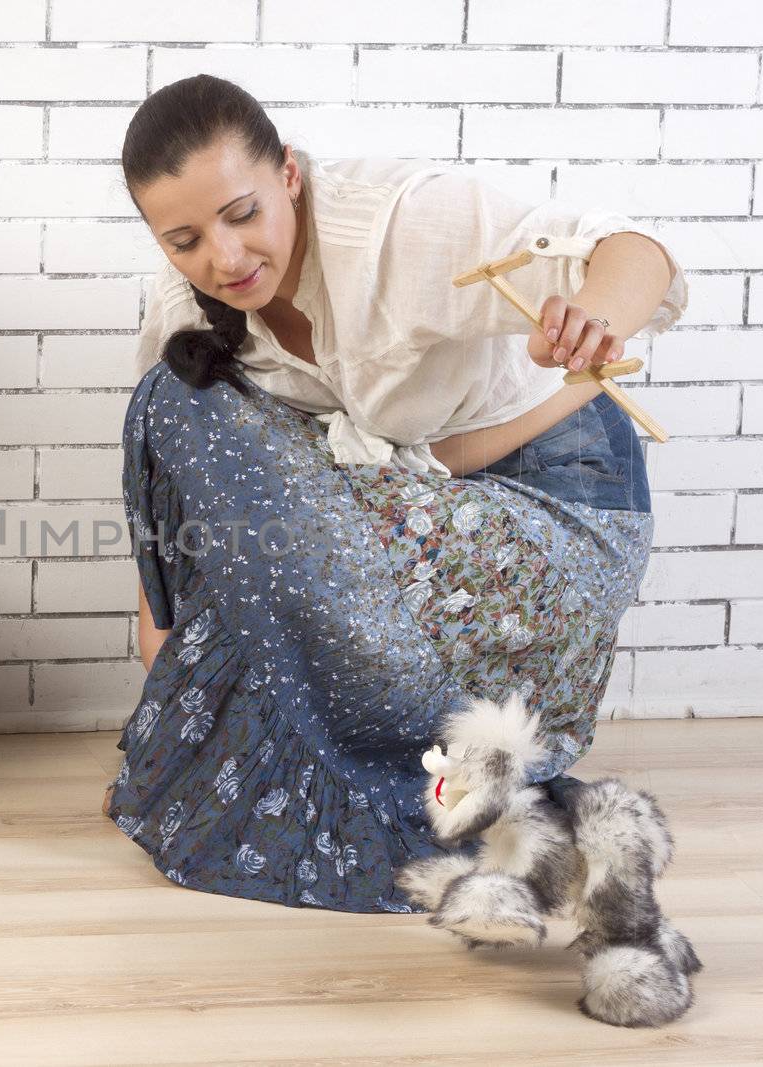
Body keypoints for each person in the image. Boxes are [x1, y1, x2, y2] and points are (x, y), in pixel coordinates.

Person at [104, 75, 683, 911]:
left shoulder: (402, 223)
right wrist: (165, 639)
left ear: (290, 176)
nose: (224, 259)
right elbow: (172, 491)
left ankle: (415, 777)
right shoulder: (185, 306)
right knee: (176, 405)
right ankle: (375, 753)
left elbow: (635, 251)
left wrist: (596, 316)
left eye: (242, 214)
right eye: (185, 238)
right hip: (424, 492)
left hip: (557, 493)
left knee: (284, 507)